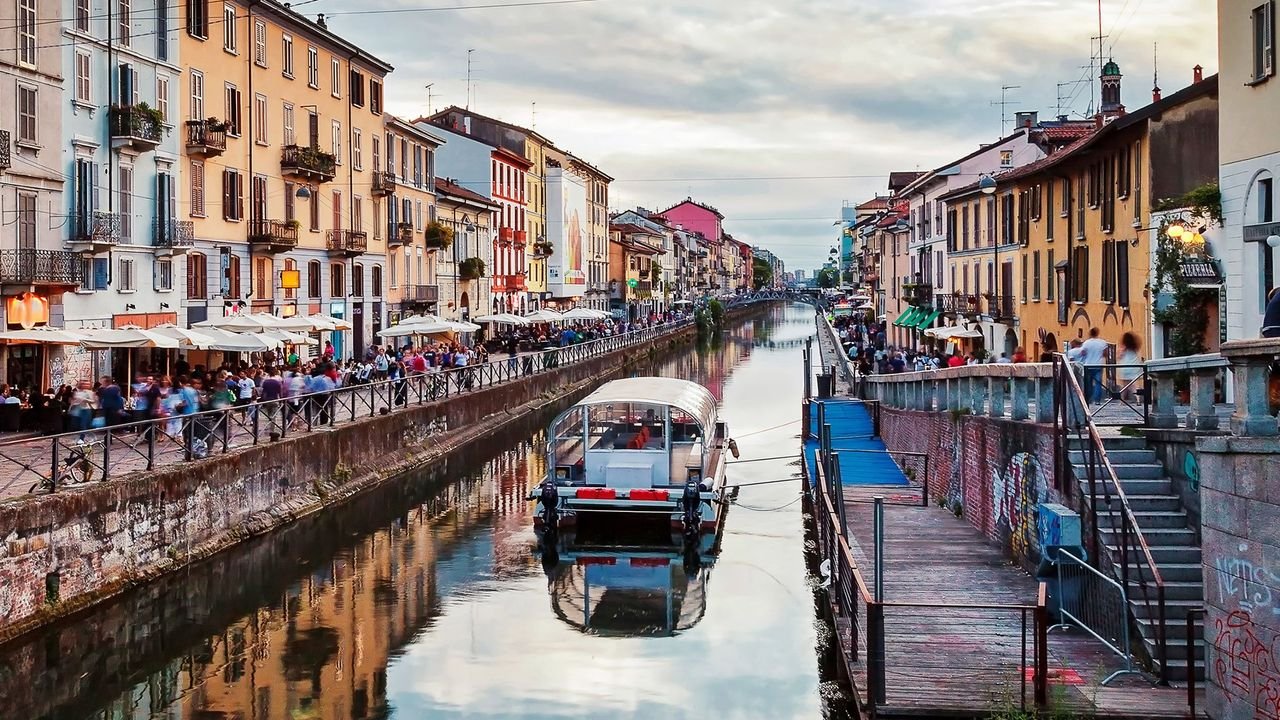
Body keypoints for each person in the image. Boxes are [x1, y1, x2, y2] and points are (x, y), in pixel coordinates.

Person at [1080, 328, 1110, 403]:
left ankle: (1088, 399)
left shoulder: (1086, 343)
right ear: (1097, 333)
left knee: (1088, 383)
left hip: (1088, 365)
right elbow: (1105, 354)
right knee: (1098, 383)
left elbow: (1082, 353)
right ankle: (1097, 400)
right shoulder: (1102, 342)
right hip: (1098, 365)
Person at [1117, 332, 1143, 402]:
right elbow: (1137, 356)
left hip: (1125, 367)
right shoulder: (1134, 347)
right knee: (1134, 385)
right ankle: (1138, 399)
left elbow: (1119, 356)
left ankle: (1122, 400)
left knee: (1124, 386)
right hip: (1134, 366)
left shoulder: (1124, 347)